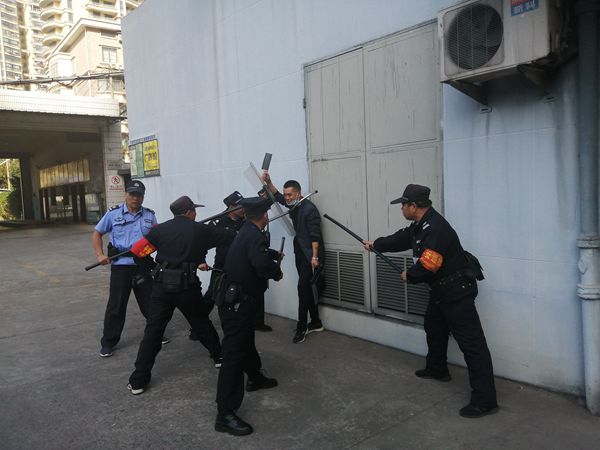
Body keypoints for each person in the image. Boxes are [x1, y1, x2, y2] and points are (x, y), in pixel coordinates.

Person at [362, 184, 498, 418]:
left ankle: (485, 400)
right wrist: (376, 244)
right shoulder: (420, 225)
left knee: (472, 344)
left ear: (414, 206)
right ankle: (437, 369)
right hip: (440, 290)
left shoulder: (436, 229)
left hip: (456, 291)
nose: (401, 208)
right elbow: (401, 239)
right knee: (434, 327)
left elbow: (428, 265)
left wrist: (410, 275)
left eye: (403, 205)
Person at [127, 195, 234, 395]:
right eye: (195, 210)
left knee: (153, 332)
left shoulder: (160, 230)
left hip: (161, 286)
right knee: (201, 322)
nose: (196, 214)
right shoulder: (201, 230)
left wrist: (153, 268)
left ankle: (138, 380)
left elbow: (137, 252)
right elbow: (228, 236)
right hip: (187, 286)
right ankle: (219, 357)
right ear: (189, 212)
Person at [215, 197, 283, 436]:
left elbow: (253, 253)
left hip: (235, 302)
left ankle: (254, 377)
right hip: (236, 305)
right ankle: (224, 414)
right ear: (263, 215)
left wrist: (271, 253)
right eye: (266, 213)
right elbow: (262, 265)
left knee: (245, 342)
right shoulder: (255, 236)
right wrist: (276, 271)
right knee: (233, 356)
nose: (267, 216)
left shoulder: (245, 231)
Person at [92, 180, 167, 358]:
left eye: (139, 195)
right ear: (126, 195)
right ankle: (108, 342)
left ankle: (156, 333)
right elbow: (97, 233)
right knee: (116, 306)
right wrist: (100, 255)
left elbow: (157, 238)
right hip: (121, 267)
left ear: (143, 196)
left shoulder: (149, 216)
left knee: (150, 303)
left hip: (142, 266)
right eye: (132, 194)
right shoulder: (113, 214)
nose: (135, 198)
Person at [261, 173, 324, 344]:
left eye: (290, 194)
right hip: (300, 252)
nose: (287, 198)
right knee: (307, 288)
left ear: (298, 193)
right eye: (286, 194)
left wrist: (315, 257)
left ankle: (302, 327)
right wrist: (269, 182)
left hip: (311, 255)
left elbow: (315, 236)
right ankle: (316, 322)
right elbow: (278, 197)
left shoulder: (310, 209)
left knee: (302, 289)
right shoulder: (294, 205)